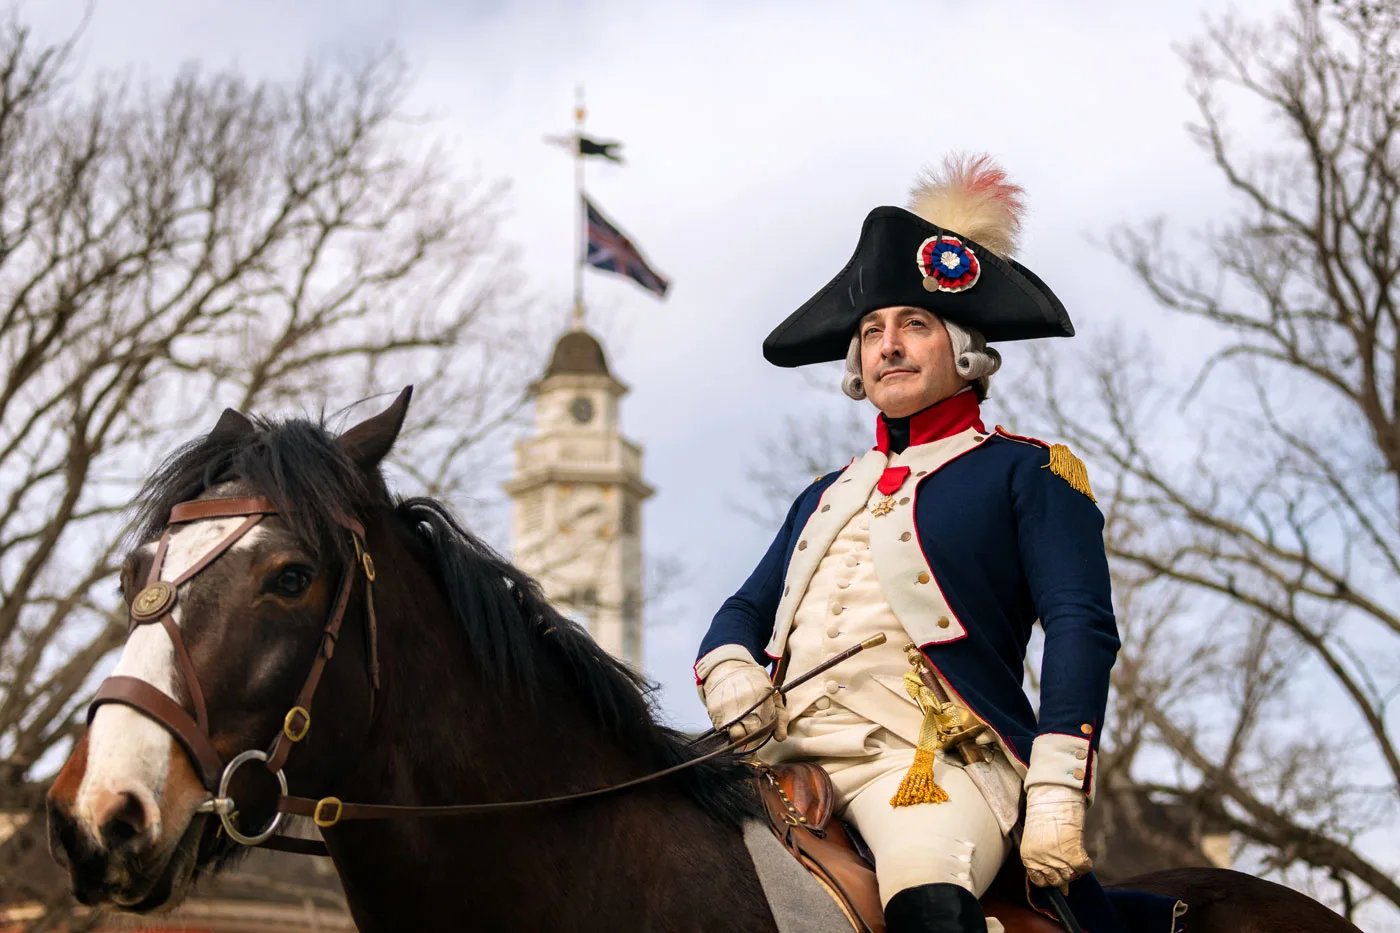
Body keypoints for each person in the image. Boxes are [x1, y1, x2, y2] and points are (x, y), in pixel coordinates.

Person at [695, 156, 1120, 933]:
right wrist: (728, 666)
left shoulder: (1028, 471)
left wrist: (1059, 782)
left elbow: (1080, 623)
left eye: (913, 325)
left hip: (928, 769)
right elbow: (744, 607)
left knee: (928, 895)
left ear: (964, 349)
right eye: (871, 330)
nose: (887, 344)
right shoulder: (824, 492)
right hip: (780, 759)